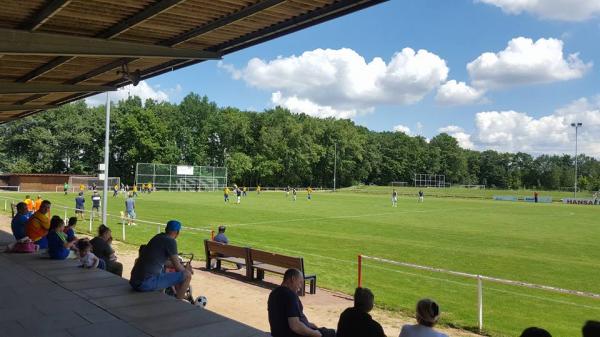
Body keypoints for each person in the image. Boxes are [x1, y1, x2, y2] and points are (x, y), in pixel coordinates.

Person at [129, 220, 193, 300]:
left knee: (163, 270)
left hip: (134, 281)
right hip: (145, 284)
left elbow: (163, 262)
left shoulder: (157, 237)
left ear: (166, 229)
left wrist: (182, 266)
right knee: (187, 275)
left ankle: (172, 296)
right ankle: (179, 303)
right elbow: (178, 267)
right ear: (177, 232)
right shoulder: (171, 241)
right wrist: (187, 269)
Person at [268, 268, 335, 337]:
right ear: (293, 279)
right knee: (334, 333)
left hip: (278, 334)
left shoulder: (273, 293)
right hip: (294, 334)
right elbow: (295, 326)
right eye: (300, 282)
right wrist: (314, 333)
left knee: (324, 330)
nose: (300, 287)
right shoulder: (290, 295)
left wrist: (309, 325)